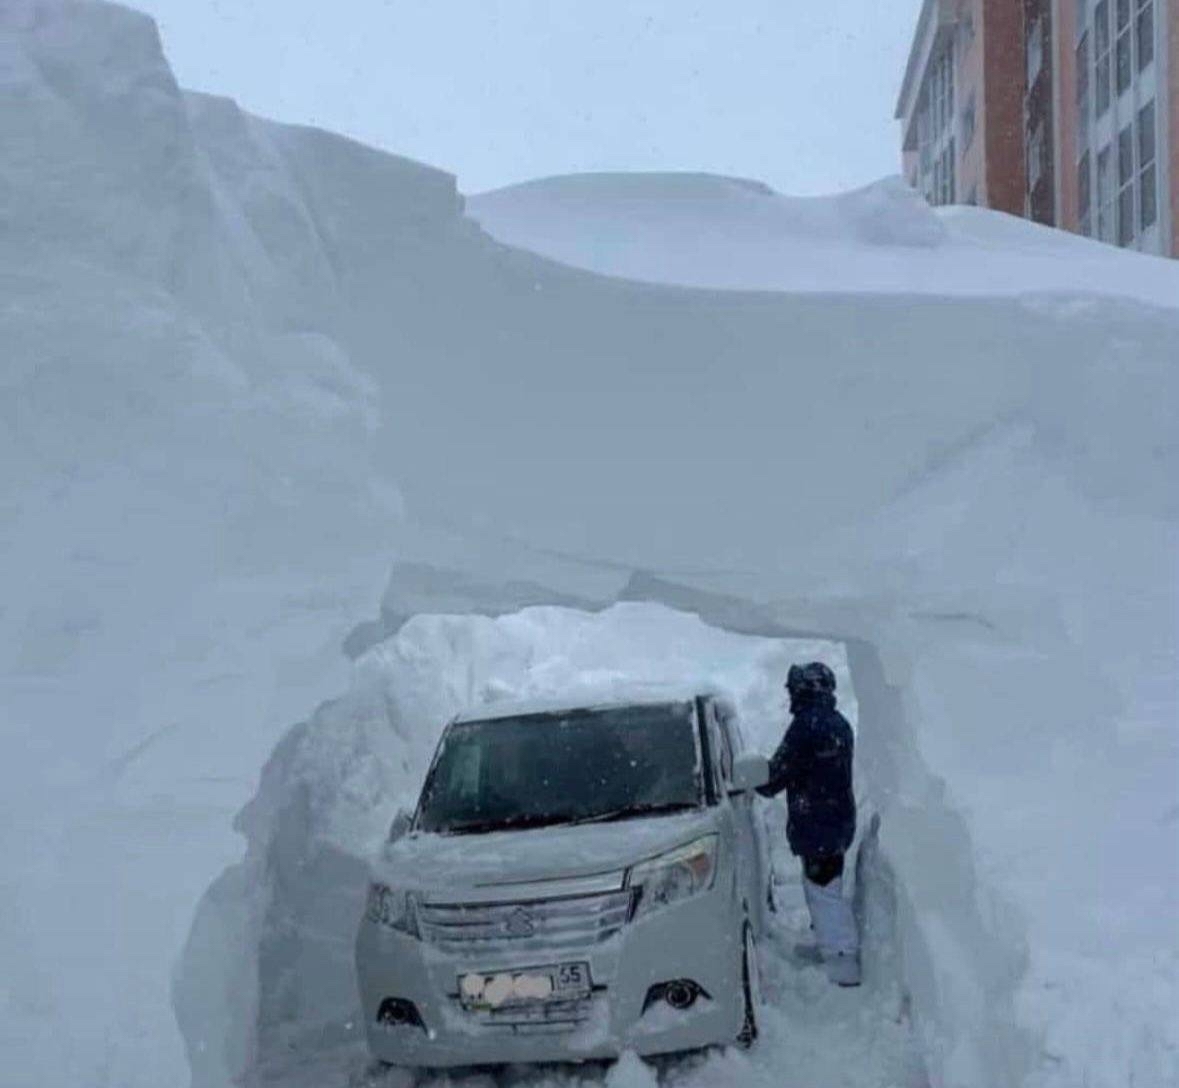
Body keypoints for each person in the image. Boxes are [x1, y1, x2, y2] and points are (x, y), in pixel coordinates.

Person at [758, 661, 860, 987]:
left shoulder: (806, 727)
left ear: (804, 690)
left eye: (793, 689)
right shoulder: (839, 724)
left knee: (823, 892)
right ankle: (833, 947)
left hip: (816, 821)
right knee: (829, 886)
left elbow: (776, 775)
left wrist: (755, 780)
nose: (791, 695)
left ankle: (842, 961)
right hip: (839, 819)